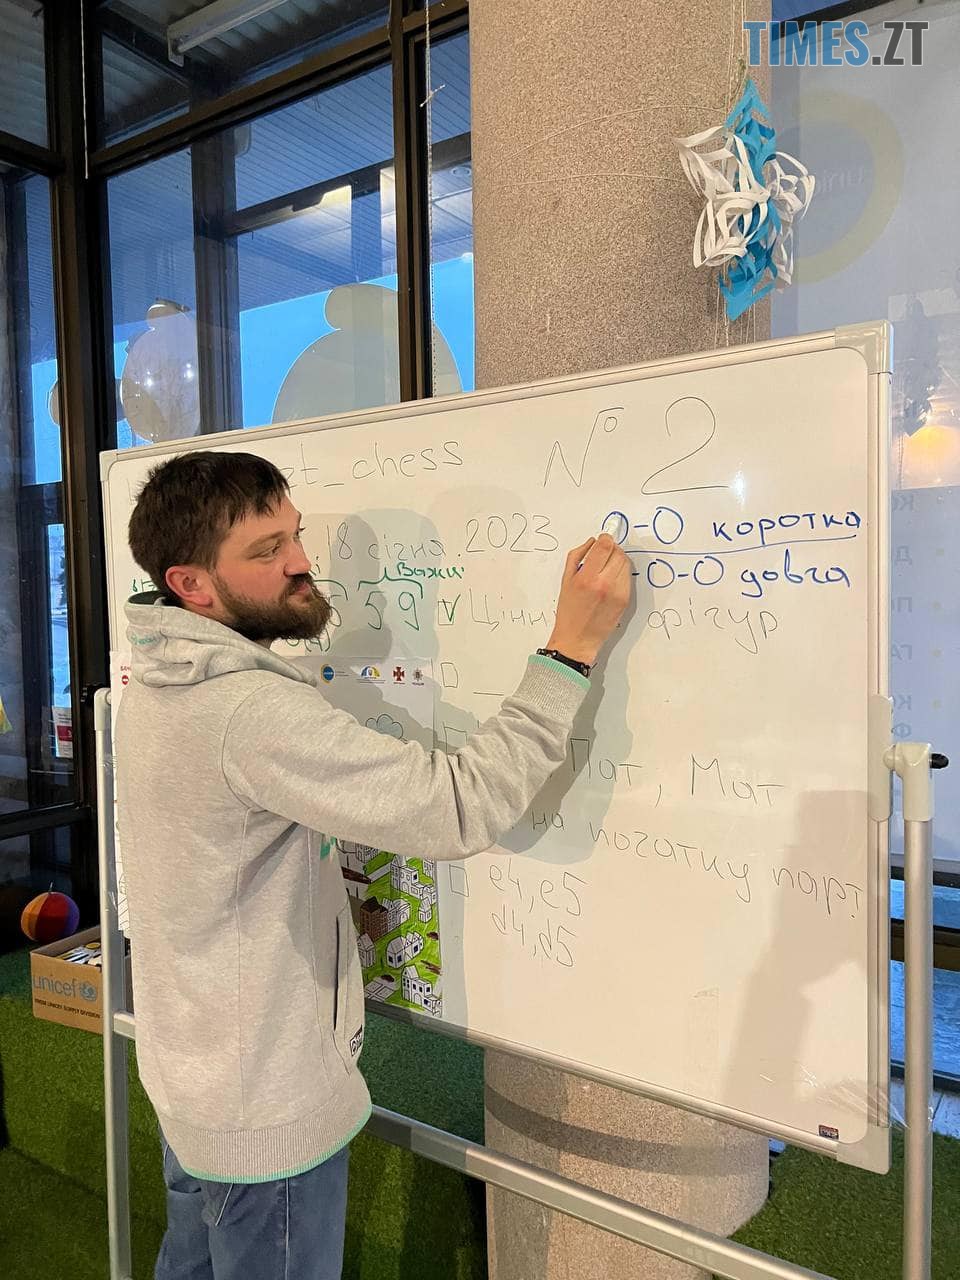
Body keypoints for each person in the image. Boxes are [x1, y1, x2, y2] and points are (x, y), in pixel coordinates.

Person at [116, 450, 631, 1280]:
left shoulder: (155, 677)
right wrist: (570, 649)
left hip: (196, 1086)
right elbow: (459, 805)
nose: (300, 561)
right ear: (192, 585)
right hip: (264, 1112)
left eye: (295, 534)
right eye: (266, 550)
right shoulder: (248, 710)